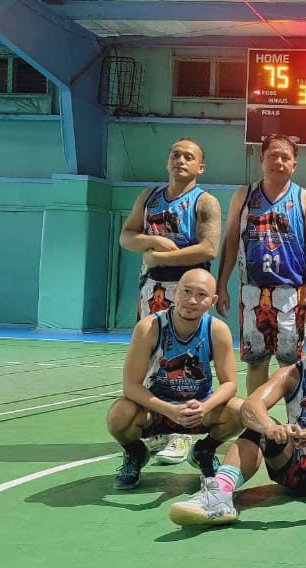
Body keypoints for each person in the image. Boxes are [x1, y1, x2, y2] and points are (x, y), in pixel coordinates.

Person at [167, 308, 306, 535]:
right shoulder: (293, 372)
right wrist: (271, 427)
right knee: (258, 429)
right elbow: (251, 405)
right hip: (297, 468)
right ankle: (220, 493)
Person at [118, 138, 222, 463]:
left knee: (188, 362)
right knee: (152, 358)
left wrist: (159, 259)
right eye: (175, 155)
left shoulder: (204, 202)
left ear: (200, 167)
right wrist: (150, 240)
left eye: (188, 156)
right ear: (167, 161)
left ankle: (182, 434)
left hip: (188, 292)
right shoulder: (149, 197)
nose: (180, 160)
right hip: (153, 291)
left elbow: (208, 249)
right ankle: (158, 426)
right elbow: (126, 236)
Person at [106, 269, 244, 491]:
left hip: (196, 409)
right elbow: (131, 386)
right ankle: (135, 453)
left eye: (201, 295)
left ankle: (205, 451)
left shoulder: (216, 330)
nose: (192, 300)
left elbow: (230, 383)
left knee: (240, 410)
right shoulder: (149, 328)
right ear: (175, 292)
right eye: (186, 292)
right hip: (156, 409)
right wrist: (168, 409)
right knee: (119, 415)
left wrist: (204, 407)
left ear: (213, 301)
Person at [216, 134, 306, 396]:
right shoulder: (244, 196)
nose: (279, 161)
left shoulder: (304, 198)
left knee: (289, 363)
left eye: (285, 157)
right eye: (273, 156)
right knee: (256, 361)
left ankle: (293, 419)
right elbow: (230, 243)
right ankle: (257, 424)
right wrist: (222, 285)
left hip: (292, 292)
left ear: (294, 165)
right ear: (262, 160)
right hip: (252, 290)